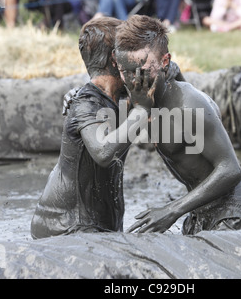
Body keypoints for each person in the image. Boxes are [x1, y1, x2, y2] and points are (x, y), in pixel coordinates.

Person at [31, 17, 184, 239]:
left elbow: (184, 101)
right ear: (116, 58)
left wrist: (168, 69)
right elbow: (104, 153)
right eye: (131, 49)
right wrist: (141, 110)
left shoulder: (123, 95)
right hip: (65, 231)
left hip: (97, 227)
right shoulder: (86, 103)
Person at [113, 15, 241, 234]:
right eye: (124, 71)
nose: (131, 80)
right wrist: (78, 95)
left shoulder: (189, 105)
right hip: (200, 212)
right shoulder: (140, 94)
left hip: (234, 214)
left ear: (165, 62)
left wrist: (172, 210)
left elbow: (231, 169)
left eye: (141, 71)